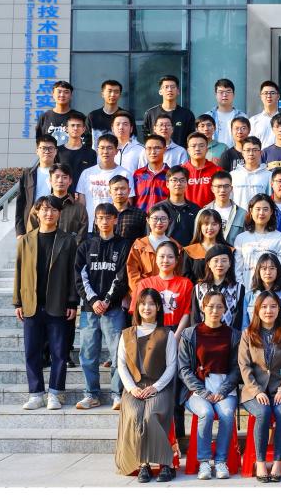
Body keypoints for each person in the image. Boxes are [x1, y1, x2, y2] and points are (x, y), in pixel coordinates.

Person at [14, 196, 79, 411]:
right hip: (31, 304)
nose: (49, 214)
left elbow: (73, 274)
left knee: (59, 353)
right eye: (44, 209)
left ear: (59, 213)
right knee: (32, 352)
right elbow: (18, 272)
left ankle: (55, 393)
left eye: (53, 210)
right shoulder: (25, 240)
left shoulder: (68, 240)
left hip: (58, 305)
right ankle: (35, 394)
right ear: (37, 212)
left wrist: (72, 302)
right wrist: (18, 302)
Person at [114, 289, 178, 481]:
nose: (146, 307)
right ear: (137, 307)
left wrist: (156, 387)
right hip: (134, 386)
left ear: (158, 307)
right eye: (143, 303)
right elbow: (121, 365)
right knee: (135, 415)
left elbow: (172, 365)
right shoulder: (127, 334)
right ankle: (144, 464)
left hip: (159, 385)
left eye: (151, 304)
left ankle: (166, 463)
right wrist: (131, 388)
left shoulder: (167, 334)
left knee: (151, 415)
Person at [178, 290, 241, 480]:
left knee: (227, 414)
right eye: (210, 306)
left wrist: (222, 390)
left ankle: (221, 461)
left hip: (225, 390)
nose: (215, 310)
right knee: (206, 413)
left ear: (225, 309)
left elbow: (237, 368)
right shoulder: (190, 334)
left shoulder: (234, 335)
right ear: (203, 308)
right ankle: (204, 462)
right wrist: (203, 392)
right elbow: (184, 369)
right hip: (197, 391)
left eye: (219, 306)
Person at [74, 203, 131, 411]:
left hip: (113, 309)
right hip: (90, 310)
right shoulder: (86, 246)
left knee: (117, 354)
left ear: (115, 220)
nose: (104, 221)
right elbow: (80, 277)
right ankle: (91, 394)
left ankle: (117, 394)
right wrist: (93, 300)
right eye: (100, 218)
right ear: (95, 221)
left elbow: (122, 276)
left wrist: (107, 300)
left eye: (108, 217)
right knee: (88, 354)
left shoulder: (124, 245)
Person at [238, 290, 281, 483]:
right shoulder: (248, 334)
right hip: (253, 391)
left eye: (273, 306)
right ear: (257, 310)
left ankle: (278, 462)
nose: (268, 310)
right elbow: (244, 366)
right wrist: (257, 391)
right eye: (264, 307)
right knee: (263, 412)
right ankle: (261, 462)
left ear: (279, 309)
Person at [136, 240, 194, 337]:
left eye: (170, 257)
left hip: (178, 331)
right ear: (156, 259)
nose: (165, 260)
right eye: (162, 256)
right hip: (151, 331)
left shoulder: (186, 284)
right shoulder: (145, 283)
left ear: (176, 260)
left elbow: (187, 313)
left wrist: (176, 337)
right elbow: (138, 311)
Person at [78, 134, 133, 233]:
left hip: (116, 229)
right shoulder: (87, 173)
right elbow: (81, 204)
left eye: (109, 148)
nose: (105, 151)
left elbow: (128, 203)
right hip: (90, 228)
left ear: (116, 151)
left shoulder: (125, 174)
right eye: (102, 148)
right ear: (97, 150)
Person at [125, 204, 182, 297]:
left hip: (169, 295)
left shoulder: (176, 246)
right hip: (145, 296)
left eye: (163, 219)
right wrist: (144, 294)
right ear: (148, 220)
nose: (159, 222)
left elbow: (179, 272)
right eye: (155, 218)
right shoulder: (139, 245)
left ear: (169, 221)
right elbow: (133, 272)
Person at [233, 194, 281, 289]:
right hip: (247, 292)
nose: (261, 213)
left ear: (271, 212)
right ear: (251, 211)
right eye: (258, 209)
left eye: (265, 209)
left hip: (272, 293)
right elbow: (237, 270)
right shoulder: (241, 238)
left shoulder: (279, 238)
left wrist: (275, 290)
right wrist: (243, 292)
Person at [25, 163, 88, 240]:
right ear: (50, 180)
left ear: (70, 181)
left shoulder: (79, 208)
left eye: (64, 177)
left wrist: (71, 245)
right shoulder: (40, 206)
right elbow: (31, 233)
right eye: (57, 177)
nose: (60, 180)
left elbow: (81, 236)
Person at [192, 244, 246, 330]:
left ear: (230, 263)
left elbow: (238, 319)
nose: (220, 264)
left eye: (224, 260)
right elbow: (195, 317)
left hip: (229, 336)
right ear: (209, 264)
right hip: (203, 335)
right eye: (216, 260)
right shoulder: (199, 288)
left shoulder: (238, 288)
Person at [15, 135, 59, 237]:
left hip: (54, 220)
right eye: (43, 148)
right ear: (37, 151)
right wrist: (20, 232)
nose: (47, 151)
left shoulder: (62, 174)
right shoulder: (28, 174)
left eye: (50, 148)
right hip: (32, 220)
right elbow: (20, 204)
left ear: (56, 151)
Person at [142, 75, 195, 143]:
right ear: (160, 91)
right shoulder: (150, 113)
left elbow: (191, 139)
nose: (169, 90)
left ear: (178, 91)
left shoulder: (187, 114)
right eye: (166, 87)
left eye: (173, 87)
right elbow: (146, 137)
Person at [199, 171, 248, 245]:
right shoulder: (203, 212)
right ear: (212, 189)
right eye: (218, 186)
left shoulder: (242, 214)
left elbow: (246, 240)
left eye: (226, 186)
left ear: (231, 188)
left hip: (234, 252)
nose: (222, 190)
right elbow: (198, 238)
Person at [156, 166, 201, 245]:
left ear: (187, 184)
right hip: (165, 251)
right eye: (174, 180)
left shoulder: (196, 209)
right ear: (167, 184)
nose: (178, 183)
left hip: (190, 252)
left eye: (182, 180)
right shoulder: (158, 209)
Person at [181, 208, 228, 283]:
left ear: (220, 226)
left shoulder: (228, 250)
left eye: (214, 224)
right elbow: (186, 279)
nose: (210, 228)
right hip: (196, 289)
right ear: (200, 226)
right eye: (206, 224)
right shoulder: (190, 251)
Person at [56, 112, 97, 193]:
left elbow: (93, 177)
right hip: (62, 195)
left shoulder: (91, 153)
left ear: (83, 129)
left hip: (84, 195)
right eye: (72, 125)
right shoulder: (58, 152)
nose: (75, 128)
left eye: (78, 125)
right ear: (66, 129)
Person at [34, 80, 84, 145]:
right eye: (59, 92)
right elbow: (39, 141)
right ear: (53, 94)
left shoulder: (79, 117)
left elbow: (84, 140)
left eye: (66, 92)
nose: (62, 95)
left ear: (71, 96)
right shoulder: (44, 117)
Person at [182, 132, 223, 208]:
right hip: (186, 213)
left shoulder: (217, 171)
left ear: (206, 149)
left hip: (211, 213)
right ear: (188, 150)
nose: (197, 149)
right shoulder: (181, 171)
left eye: (201, 146)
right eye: (193, 146)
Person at [230, 136, 271, 211]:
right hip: (237, 216)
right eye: (248, 150)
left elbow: (270, 200)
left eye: (255, 150)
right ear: (242, 153)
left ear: (260, 153)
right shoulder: (233, 175)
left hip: (260, 216)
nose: (251, 153)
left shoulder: (268, 175)